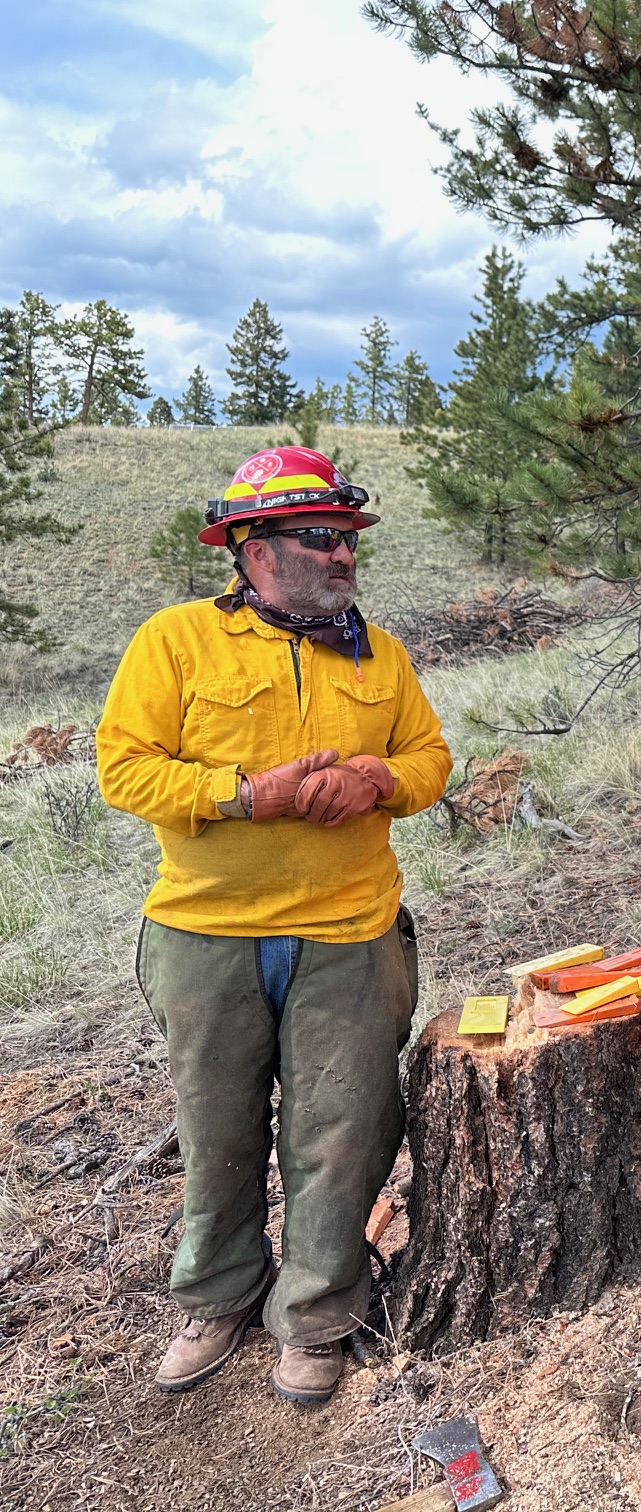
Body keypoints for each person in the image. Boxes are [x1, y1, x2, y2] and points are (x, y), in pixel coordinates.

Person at [96, 447, 451, 1406]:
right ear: (254, 549)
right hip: (206, 934)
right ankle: (217, 1295)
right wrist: (245, 795)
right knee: (216, 1130)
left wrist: (378, 778)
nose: (343, 557)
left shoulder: (381, 652)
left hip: (350, 930)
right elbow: (123, 770)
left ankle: (318, 1313)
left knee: (341, 1133)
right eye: (320, 539)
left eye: (347, 540)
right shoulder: (175, 643)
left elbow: (430, 759)